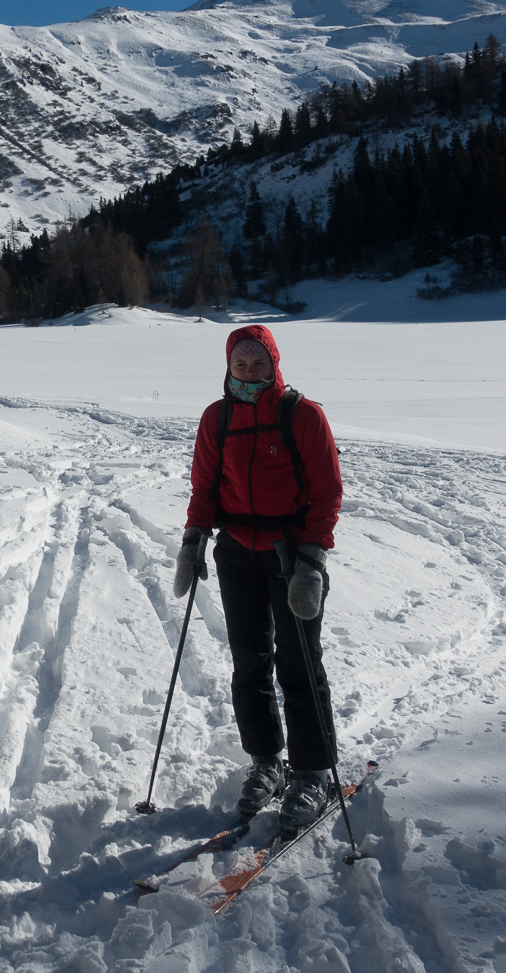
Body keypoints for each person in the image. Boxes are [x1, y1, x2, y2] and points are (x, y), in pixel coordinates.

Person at [173, 324, 343, 834]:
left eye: (258, 363)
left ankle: (312, 771)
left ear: (274, 364)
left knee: (299, 662)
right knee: (249, 663)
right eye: (240, 364)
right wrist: (193, 539)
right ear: (229, 367)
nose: (249, 372)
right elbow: (204, 486)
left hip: (291, 555)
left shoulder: (303, 415)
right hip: (237, 554)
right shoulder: (216, 418)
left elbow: (327, 493)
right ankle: (266, 761)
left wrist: (312, 560)